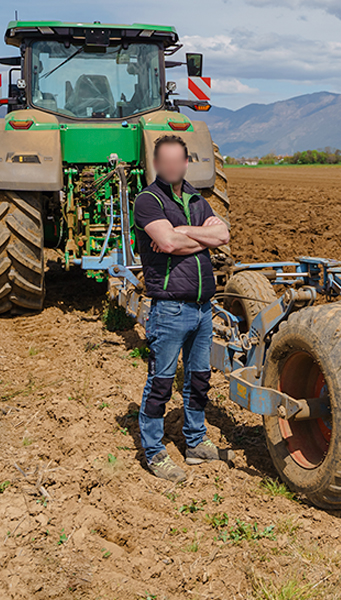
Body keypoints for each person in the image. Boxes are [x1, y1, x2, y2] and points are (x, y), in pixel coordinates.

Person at [132, 134, 230, 482]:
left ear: (187, 162)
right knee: (160, 383)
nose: (173, 166)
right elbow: (166, 241)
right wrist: (193, 238)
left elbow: (223, 236)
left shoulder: (197, 199)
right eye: (166, 160)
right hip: (170, 309)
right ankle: (155, 452)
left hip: (204, 308)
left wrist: (183, 233)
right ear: (156, 164)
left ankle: (195, 441)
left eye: (179, 160)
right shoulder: (147, 200)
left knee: (200, 379)